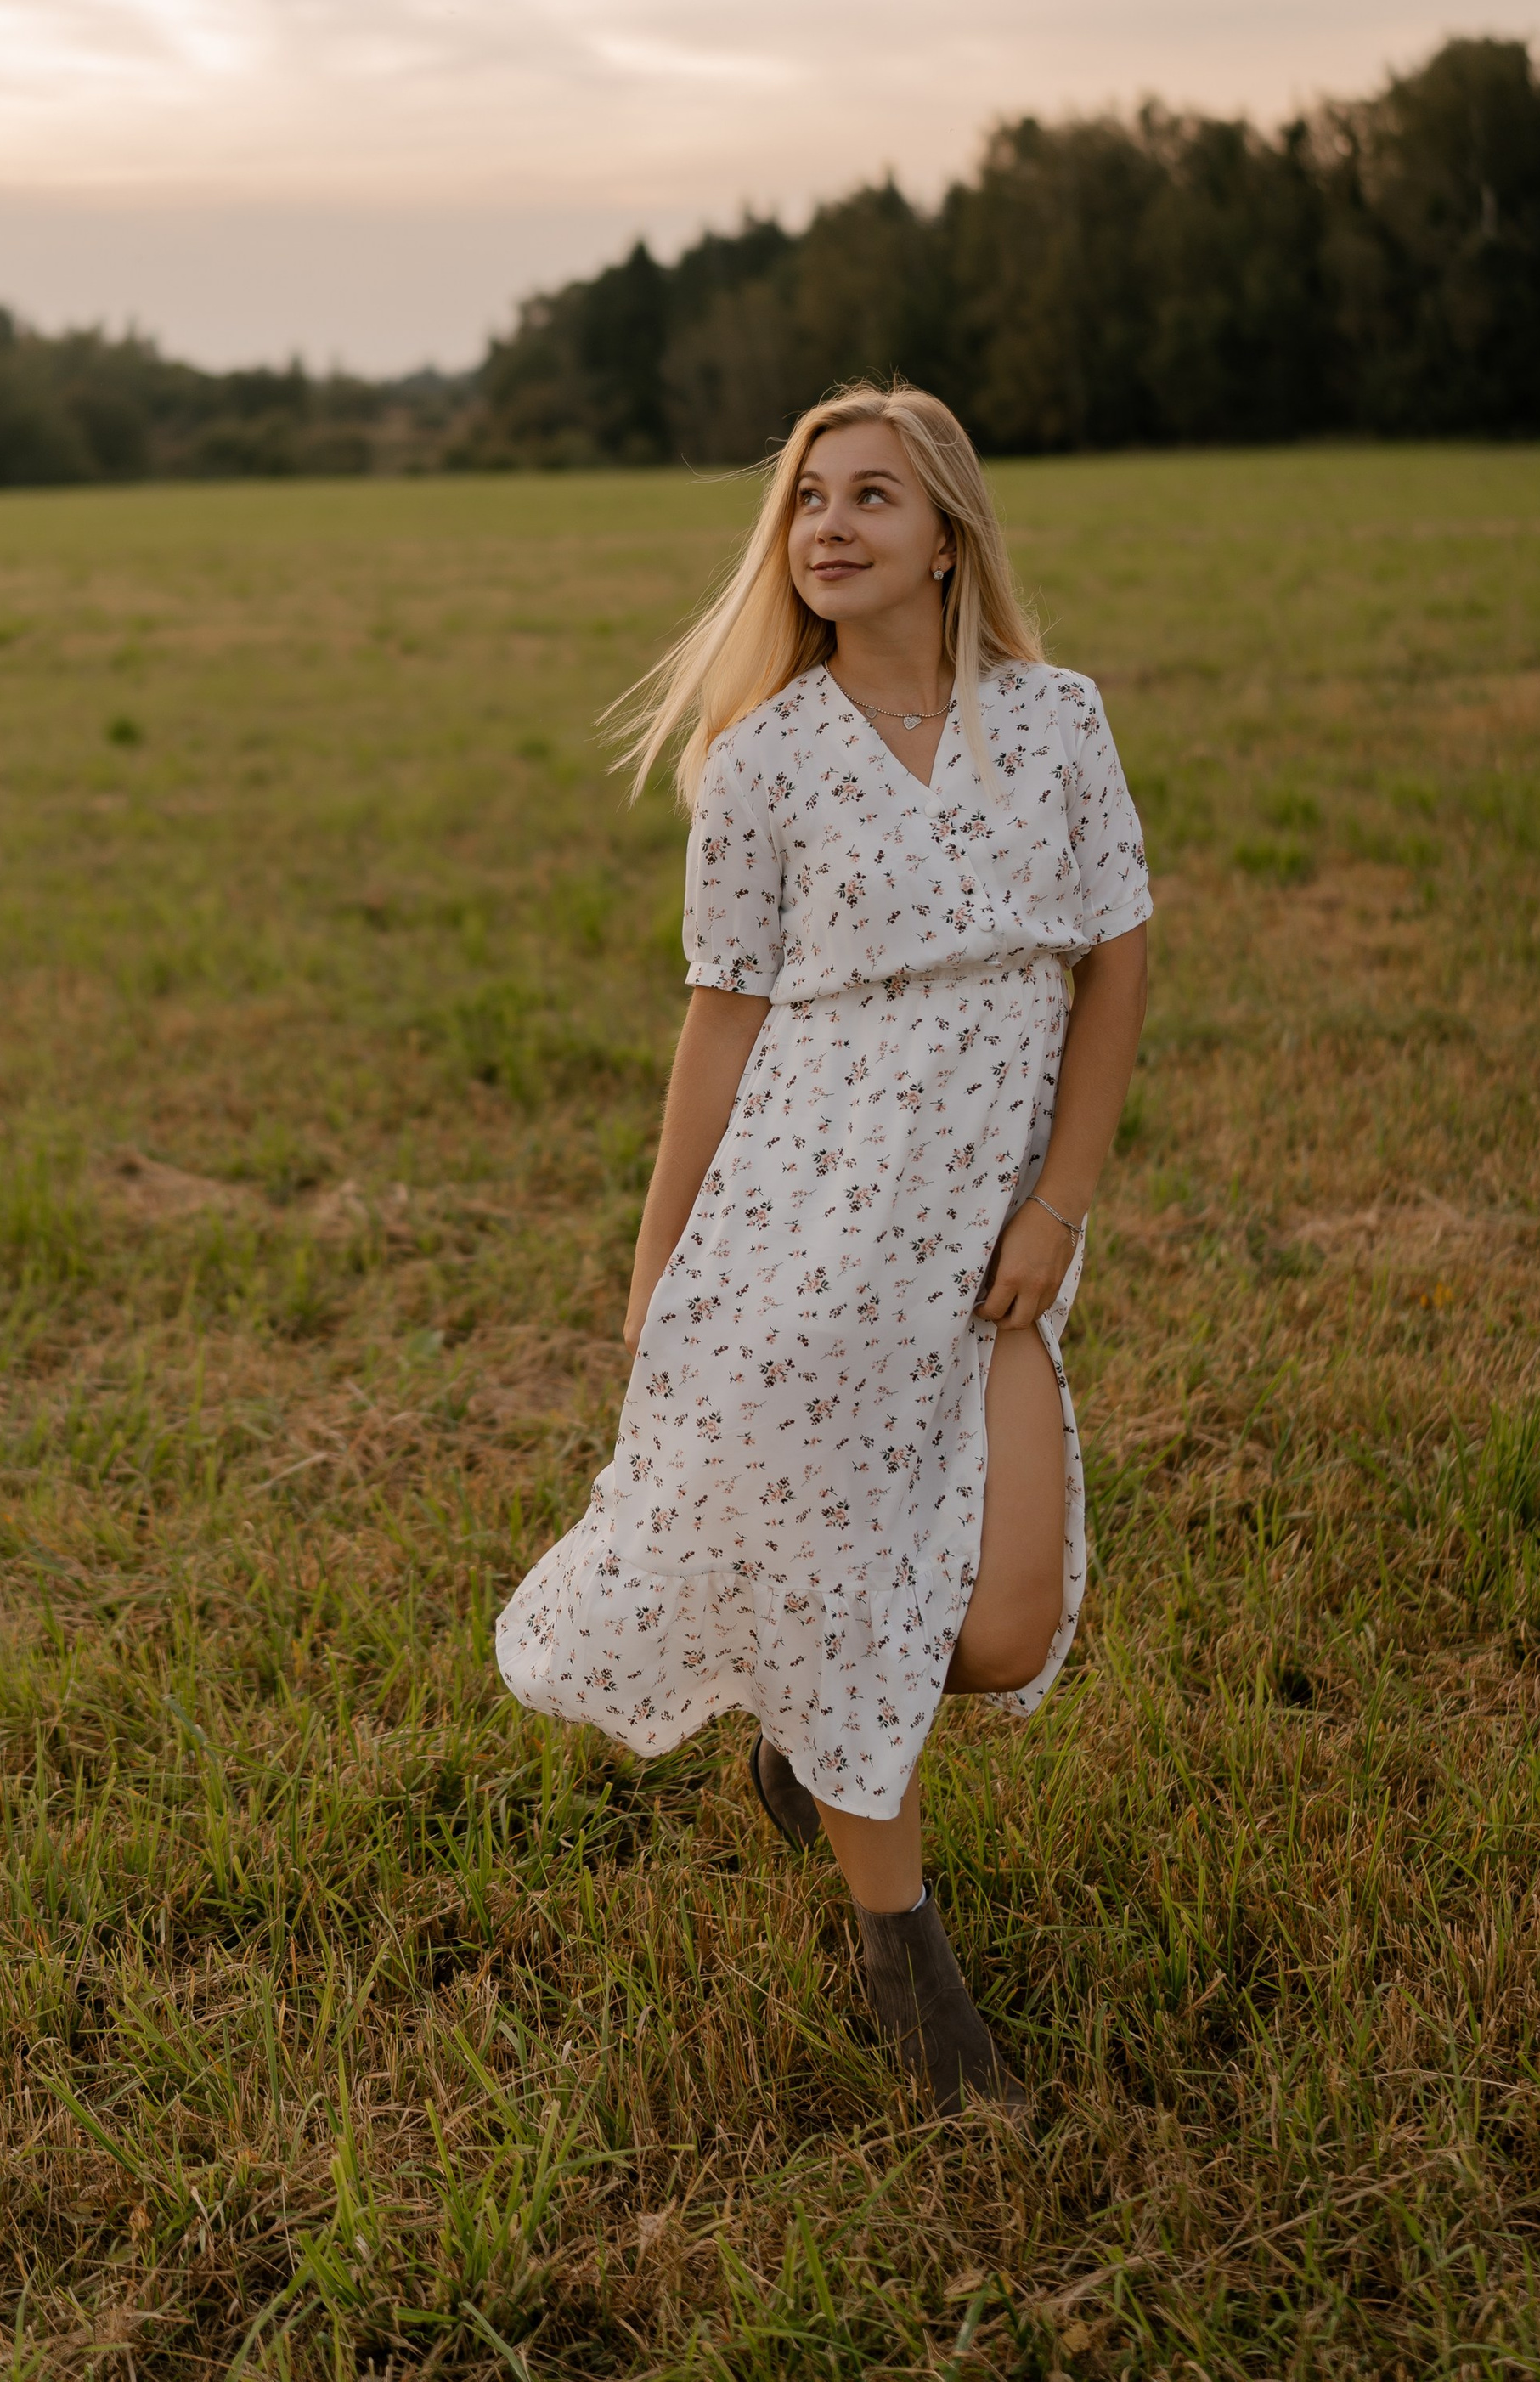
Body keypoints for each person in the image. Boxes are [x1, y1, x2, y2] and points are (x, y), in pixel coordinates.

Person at [496, 381, 1149, 2114]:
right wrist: (657, 1274)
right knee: (864, 1579)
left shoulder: (1057, 724)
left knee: (1001, 1625)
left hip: (985, 1231)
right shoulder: (765, 760)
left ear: (946, 530)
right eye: (806, 501)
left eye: (872, 495)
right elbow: (716, 1026)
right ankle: (906, 1966)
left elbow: (1112, 973)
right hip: (801, 1225)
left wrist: (1057, 1203)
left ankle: (800, 1703)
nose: (830, 526)